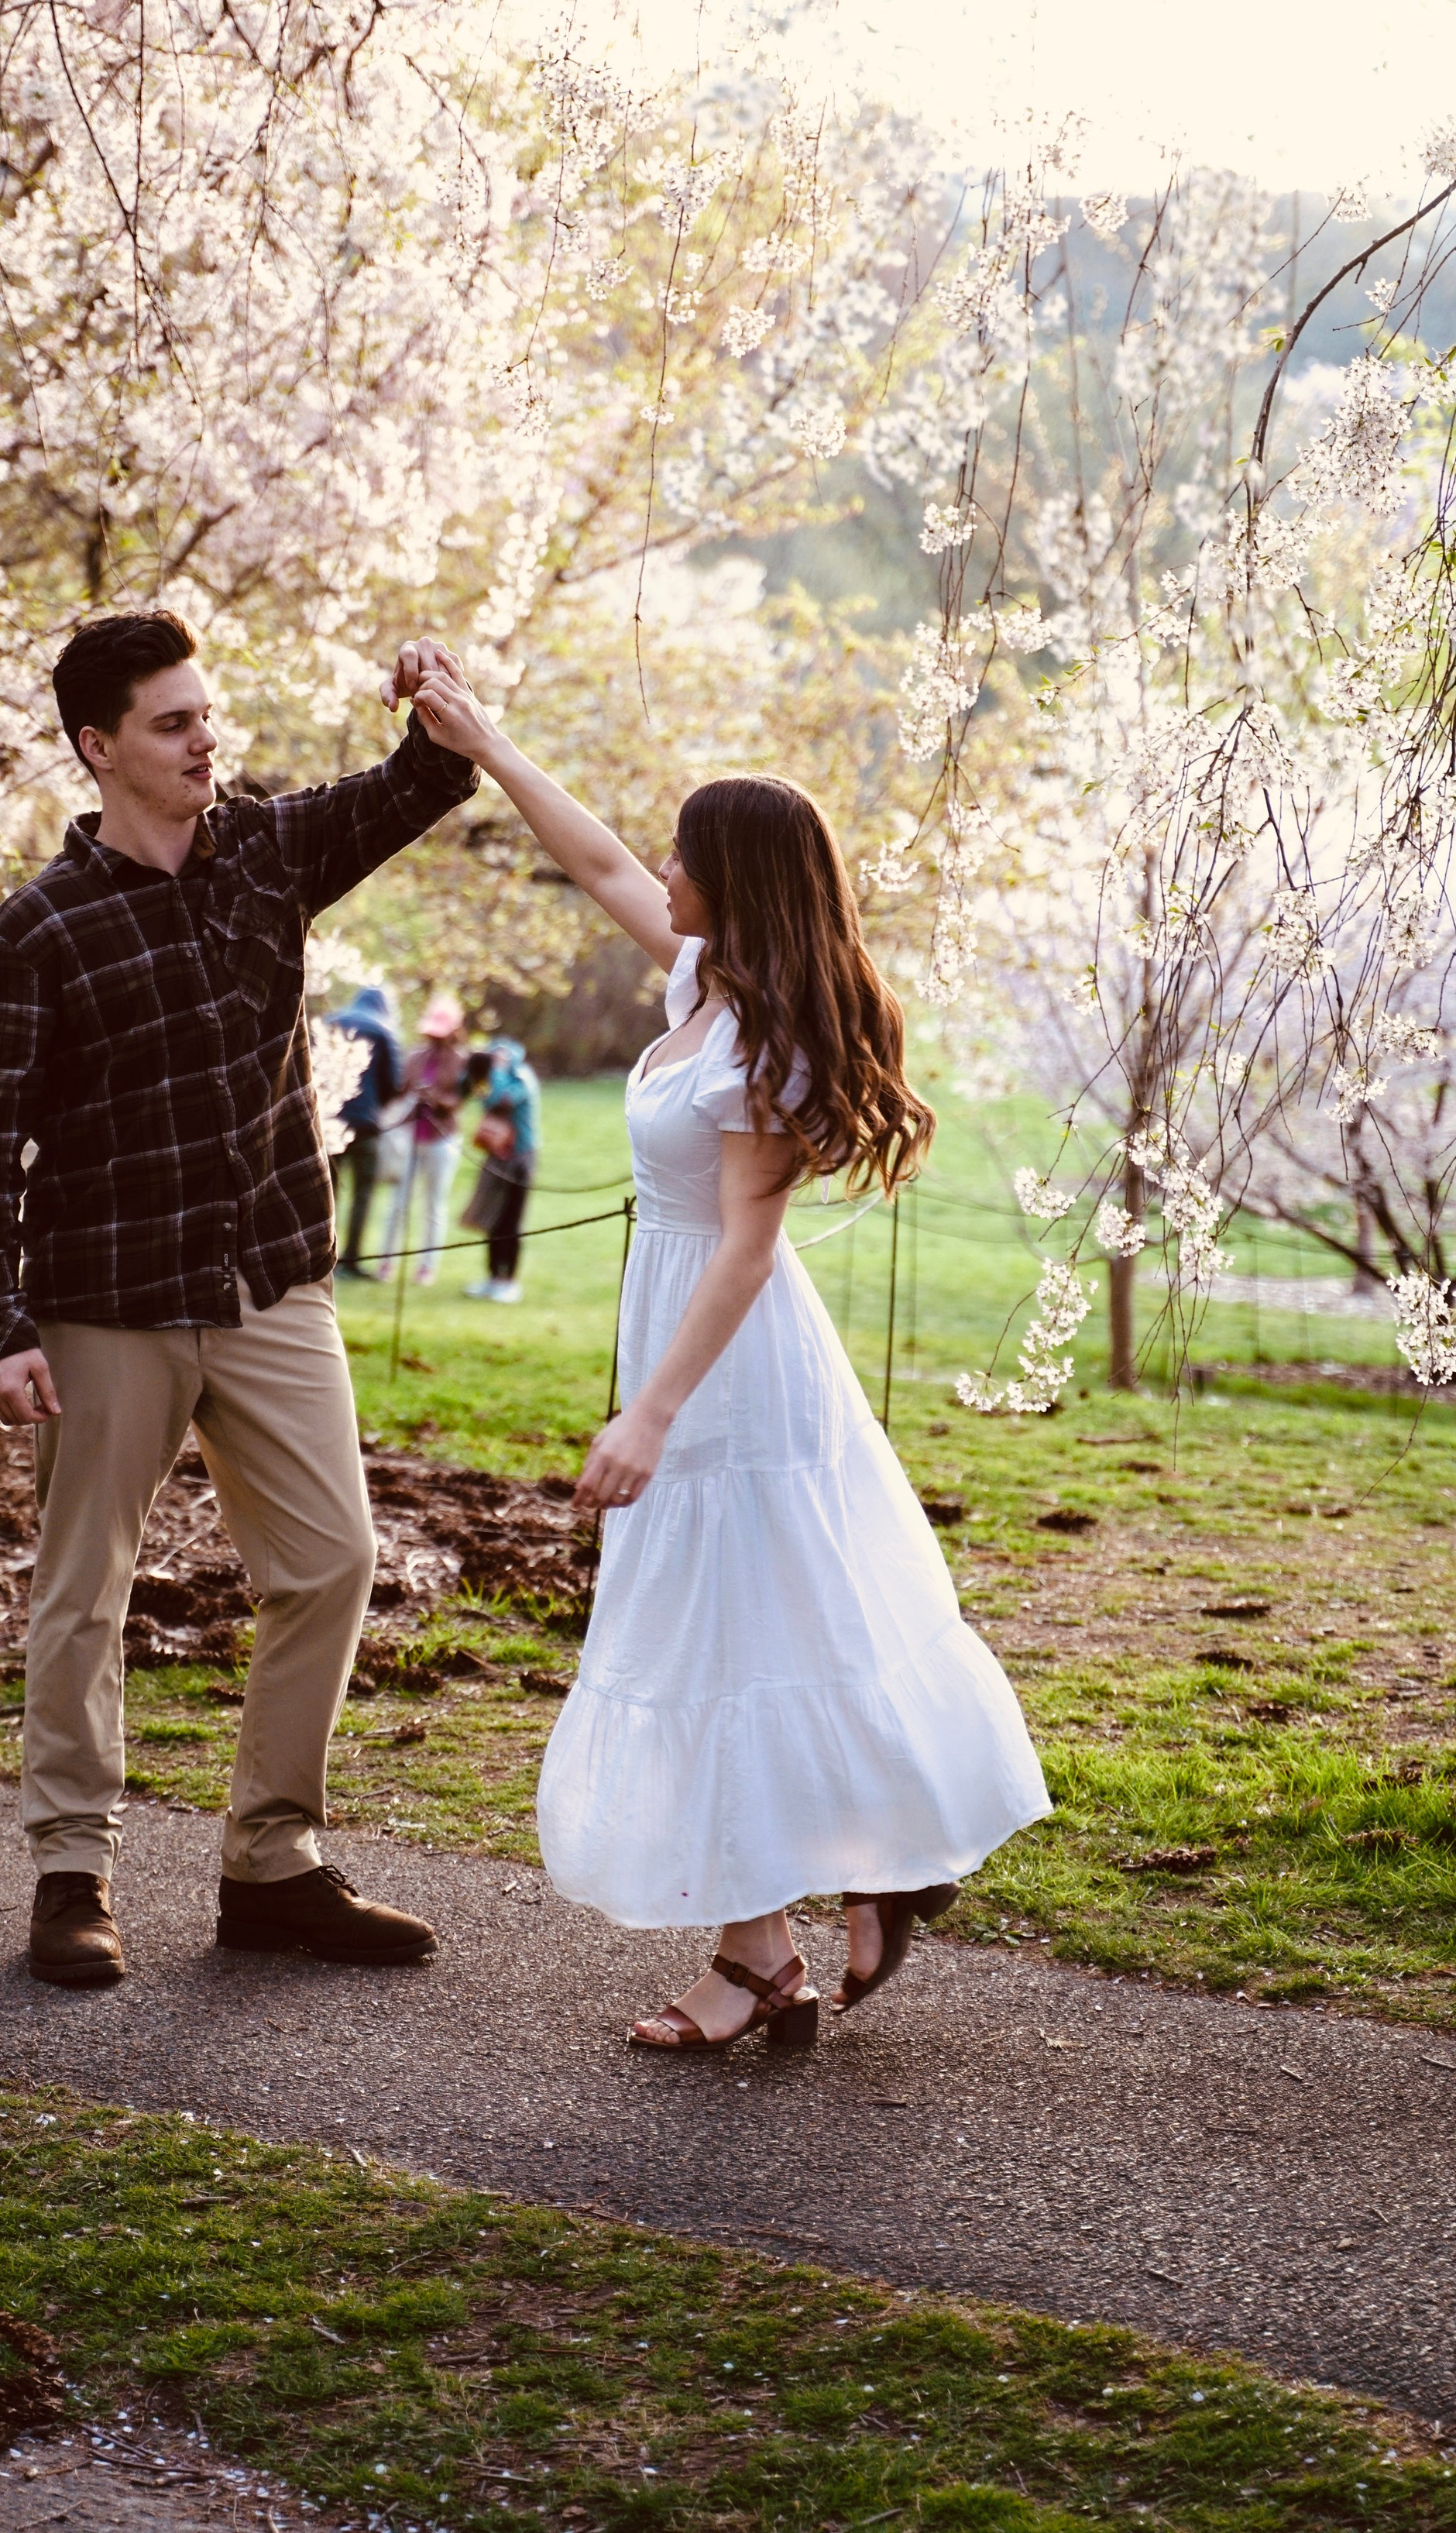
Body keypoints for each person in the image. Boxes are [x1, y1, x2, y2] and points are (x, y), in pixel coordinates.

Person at [407, 667, 1050, 2050]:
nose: (661, 868)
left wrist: (650, 1412)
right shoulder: (705, 974)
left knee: (739, 1633)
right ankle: (788, 1933)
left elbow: (747, 1247)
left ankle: (807, 1920)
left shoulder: (764, 1041)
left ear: (734, 878)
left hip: (730, 1362)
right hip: (687, 1331)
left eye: (684, 854)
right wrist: (486, 740)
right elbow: (587, 856)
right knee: (739, 1632)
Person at [0, 610, 479, 1990]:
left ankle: (273, 1862)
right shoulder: (36, 932)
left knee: (334, 1560)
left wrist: (428, 693)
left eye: (204, 714)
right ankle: (72, 1872)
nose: (204, 739)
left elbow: (423, 779)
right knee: (85, 1591)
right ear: (97, 746)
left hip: (269, 1283)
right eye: (172, 722)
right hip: (105, 1303)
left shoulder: (265, 851)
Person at [376, 997, 468, 1287]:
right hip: (410, 1137)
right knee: (398, 1203)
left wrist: (437, 1099)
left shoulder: (462, 1061)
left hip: (442, 1140)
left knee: (434, 1205)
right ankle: (386, 1262)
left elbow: (461, 1100)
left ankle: (427, 1267)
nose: (434, 1037)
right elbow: (399, 1091)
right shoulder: (415, 1056)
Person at [328, 985, 401, 1279]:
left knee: (327, 1193)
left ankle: (321, 1257)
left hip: (328, 1119)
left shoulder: (332, 1022)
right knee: (363, 1192)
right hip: (365, 1124)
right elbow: (393, 1083)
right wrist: (375, 1107)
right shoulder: (385, 1030)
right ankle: (351, 1259)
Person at [462, 1036, 539, 1304]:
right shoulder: (494, 1076)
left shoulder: (521, 1076)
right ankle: (493, 1277)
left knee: (512, 1220)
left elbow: (502, 1101)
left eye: (502, 1056)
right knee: (493, 1219)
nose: (497, 1059)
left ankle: (510, 1281)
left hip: (520, 1157)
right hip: (497, 1155)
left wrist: (496, 1072)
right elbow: (479, 1093)